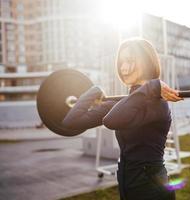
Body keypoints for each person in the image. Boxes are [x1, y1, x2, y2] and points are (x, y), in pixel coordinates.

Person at [62, 38, 183, 200]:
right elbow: (71, 122)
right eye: (121, 62)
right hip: (129, 186)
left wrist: (152, 86)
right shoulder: (126, 103)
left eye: (130, 61)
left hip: (152, 188)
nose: (124, 68)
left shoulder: (156, 104)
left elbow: (111, 121)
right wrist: (92, 92)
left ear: (147, 62)